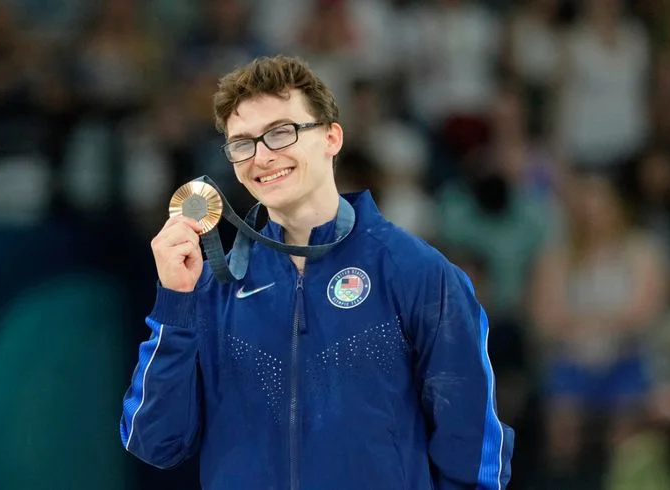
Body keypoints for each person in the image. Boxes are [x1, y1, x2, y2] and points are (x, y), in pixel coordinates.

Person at [120, 55, 514, 490]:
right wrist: (176, 303)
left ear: (331, 137)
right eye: (242, 143)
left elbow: (475, 453)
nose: (262, 157)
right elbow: (155, 441)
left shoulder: (417, 273)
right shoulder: (215, 290)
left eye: (281, 133)